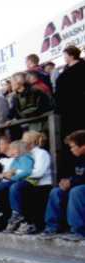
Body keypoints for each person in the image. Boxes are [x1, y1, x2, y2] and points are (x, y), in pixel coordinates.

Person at [41, 130, 85, 241]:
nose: (71, 149)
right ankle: (52, 227)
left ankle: (78, 230)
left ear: (83, 145)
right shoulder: (76, 158)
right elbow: (73, 175)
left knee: (76, 191)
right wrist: (65, 181)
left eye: (73, 147)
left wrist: (72, 182)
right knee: (56, 191)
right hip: (78, 187)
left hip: (80, 190)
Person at [0, 141, 35, 232]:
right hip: (15, 181)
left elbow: (27, 172)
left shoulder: (26, 158)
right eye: (10, 150)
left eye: (14, 149)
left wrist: (13, 176)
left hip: (26, 181)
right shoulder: (15, 161)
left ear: (20, 150)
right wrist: (4, 175)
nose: (11, 152)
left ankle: (17, 213)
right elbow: (11, 172)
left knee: (13, 187)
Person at [55, 46, 85, 175]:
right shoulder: (64, 73)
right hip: (67, 113)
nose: (64, 57)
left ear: (71, 55)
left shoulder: (81, 68)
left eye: (65, 55)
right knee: (70, 143)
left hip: (79, 110)